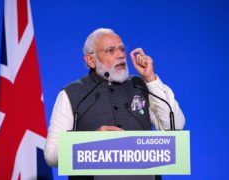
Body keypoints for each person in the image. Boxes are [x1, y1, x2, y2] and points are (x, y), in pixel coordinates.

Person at [44, 28, 185, 180]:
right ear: (91, 60)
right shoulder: (72, 94)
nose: (121, 55)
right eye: (110, 50)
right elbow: (51, 155)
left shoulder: (141, 85)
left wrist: (151, 79)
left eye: (122, 49)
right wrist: (91, 141)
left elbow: (174, 127)